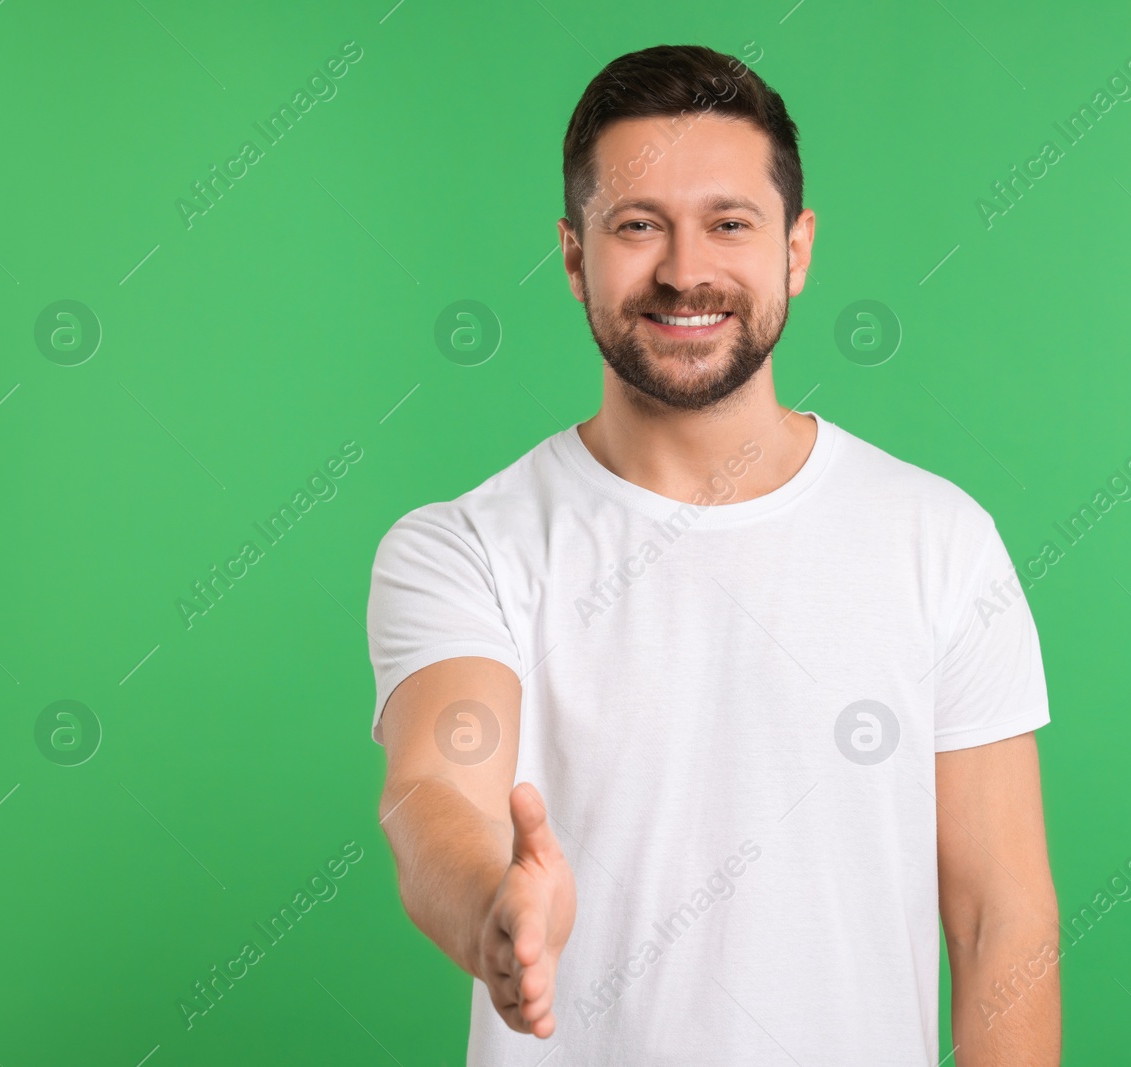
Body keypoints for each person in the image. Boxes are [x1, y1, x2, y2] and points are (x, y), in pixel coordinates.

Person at [369, 43, 1060, 1065]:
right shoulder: (466, 545)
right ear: (572, 257)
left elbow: (999, 919)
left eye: (728, 224)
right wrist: (489, 909)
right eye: (637, 226)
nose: (685, 270)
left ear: (795, 249)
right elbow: (434, 792)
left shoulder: (938, 537)